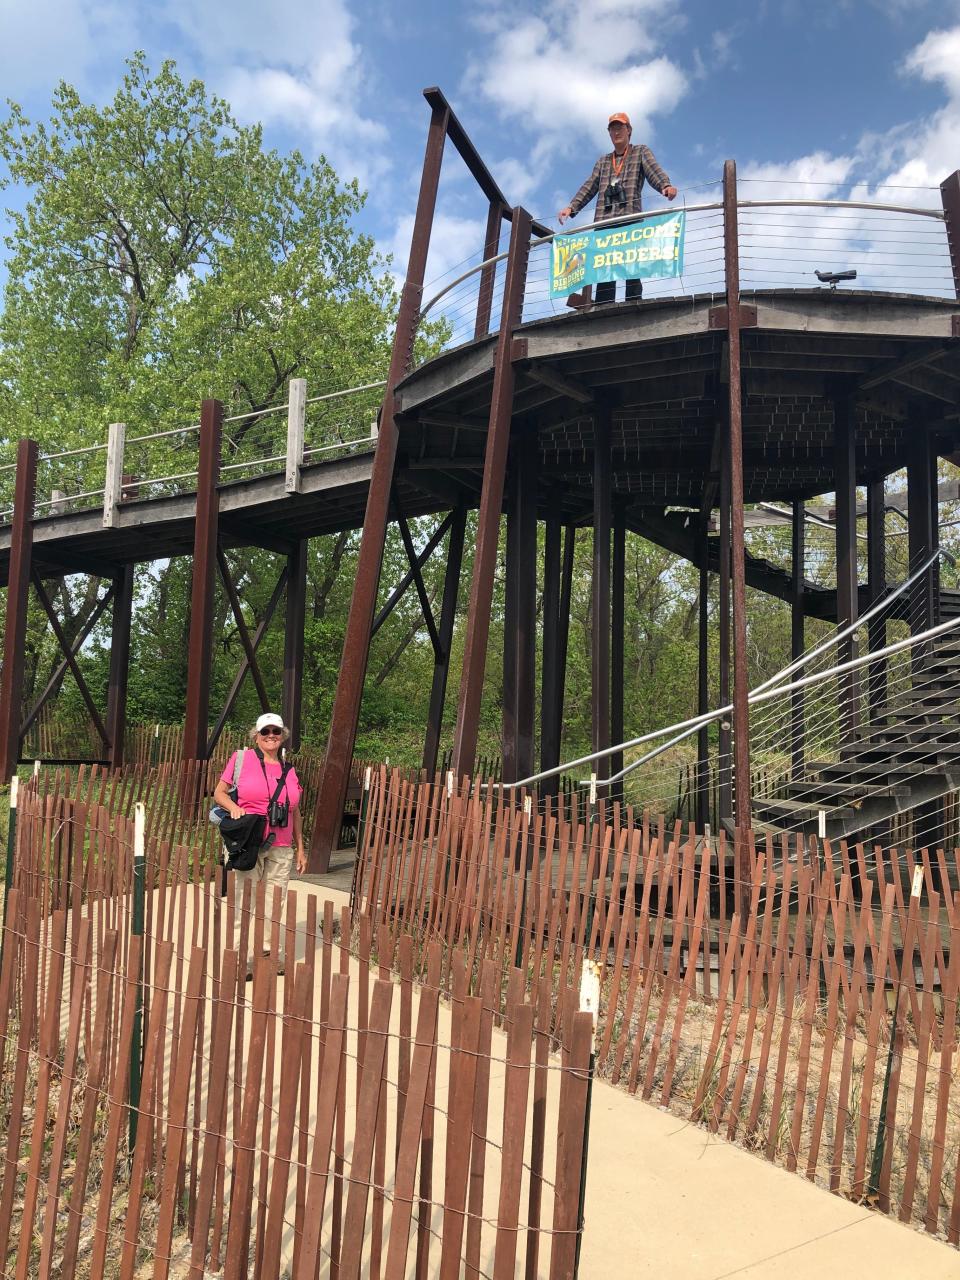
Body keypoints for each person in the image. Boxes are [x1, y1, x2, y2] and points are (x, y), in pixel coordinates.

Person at [213, 711, 305, 977]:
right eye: (265, 732)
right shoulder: (241, 759)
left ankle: (268, 953)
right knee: (244, 899)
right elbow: (220, 792)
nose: (271, 736)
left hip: (281, 844)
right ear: (256, 736)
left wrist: (301, 847)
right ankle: (239, 958)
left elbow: (295, 810)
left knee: (275, 903)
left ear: (283, 736)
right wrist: (234, 807)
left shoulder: (289, 770)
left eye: (276, 731)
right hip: (249, 841)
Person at [558, 112, 678, 304]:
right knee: (604, 268)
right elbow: (590, 186)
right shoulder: (603, 161)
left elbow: (653, 171)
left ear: (629, 130)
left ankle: (633, 304)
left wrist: (665, 185)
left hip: (629, 220)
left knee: (632, 264)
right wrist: (571, 207)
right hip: (605, 223)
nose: (616, 132)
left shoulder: (640, 151)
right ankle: (603, 309)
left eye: (620, 127)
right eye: (612, 129)